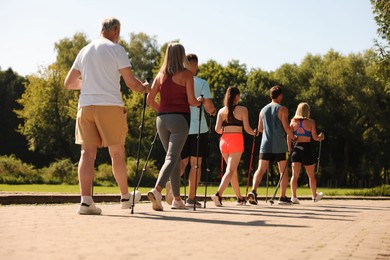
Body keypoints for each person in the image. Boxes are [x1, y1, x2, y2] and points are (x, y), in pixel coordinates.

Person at [64, 17, 149, 215]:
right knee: (117, 153)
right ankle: (126, 198)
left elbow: (69, 83)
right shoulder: (116, 49)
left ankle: (86, 202)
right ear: (116, 30)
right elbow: (131, 83)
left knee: (87, 153)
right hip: (109, 105)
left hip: (85, 106)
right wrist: (144, 88)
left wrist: (88, 84)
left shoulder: (84, 50)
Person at [146, 42, 203, 211]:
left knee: (175, 158)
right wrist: (200, 102)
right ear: (181, 56)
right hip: (180, 119)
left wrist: (164, 110)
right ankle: (157, 190)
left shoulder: (160, 75)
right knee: (171, 158)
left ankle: (177, 200)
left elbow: (150, 101)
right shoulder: (186, 74)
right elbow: (192, 101)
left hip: (161, 120)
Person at [248, 85, 296, 205]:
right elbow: (286, 128)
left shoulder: (263, 110)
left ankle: (253, 191)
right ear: (279, 95)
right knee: (283, 171)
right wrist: (294, 137)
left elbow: (260, 129)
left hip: (266, 144)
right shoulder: (282, 109)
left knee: (261, 168)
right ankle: (282, 197)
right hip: (279, 144)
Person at [179, 54, 216, 208]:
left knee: (182, 162)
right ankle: (191, 198)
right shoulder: (201, 83)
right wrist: (213, 111)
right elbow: (209, 108)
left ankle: (169, 185)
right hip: (198, 128)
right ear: (194, 66)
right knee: (196, 164)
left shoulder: (178, 82)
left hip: (180, 126)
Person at [211, 86, 257, 207]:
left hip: (224, 141)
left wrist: (226, 131)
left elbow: (217, 129)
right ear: (236, 96)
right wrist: (255, 132)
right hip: (236, 140)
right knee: (231, 170)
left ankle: (240, 198)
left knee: (232, 171)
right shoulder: (243, 109)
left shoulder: (221, 111)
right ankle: (218, 194)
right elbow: (247, 129)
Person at [289, 102, 325, 203]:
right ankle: (314, 196)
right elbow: (314, 137)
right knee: (311, 175)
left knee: (294, 175)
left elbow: (289, 136)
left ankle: (294, 196)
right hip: (306, 149)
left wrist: (290, 149)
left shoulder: (292, 122)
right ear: (307, 111)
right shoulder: (311, 122)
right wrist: (320, 137)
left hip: (296, 149)